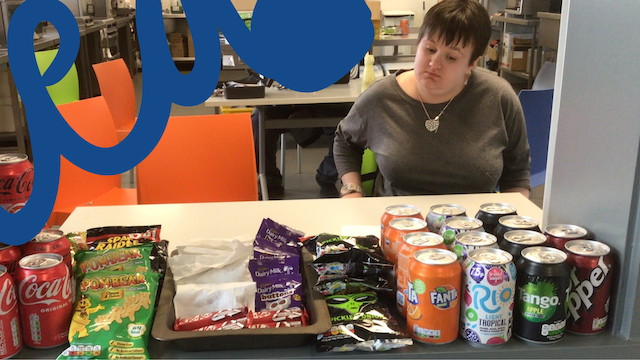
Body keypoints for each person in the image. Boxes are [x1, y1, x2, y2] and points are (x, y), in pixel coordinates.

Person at [333, 0, 531, 198]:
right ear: (418, 45)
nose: (434, 64)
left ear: (472, 63)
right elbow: (345, 141)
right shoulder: (381, 97)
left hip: (472, 224)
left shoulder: (499, 97)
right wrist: (352, 190)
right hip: (398, 219)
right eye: (429, 49)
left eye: (451, 57)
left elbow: (517, 172)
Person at [251, 104, 352, 199]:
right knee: (258, 119)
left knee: (348, 122)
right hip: (282, 103)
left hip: (326, 102)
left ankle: (327, 176)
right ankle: (270, 180)